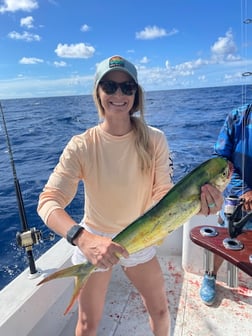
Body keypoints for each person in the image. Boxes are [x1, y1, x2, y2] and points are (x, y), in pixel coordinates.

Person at [37, 55, 223, 336]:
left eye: (127, 87)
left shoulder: (155, 139)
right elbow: (48, 201)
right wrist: (82, 238)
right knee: (87, 325)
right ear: (98, 93)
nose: (118, 94)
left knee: (160, 311)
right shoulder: (81, 145)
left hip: (142, 235)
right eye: (110, 86)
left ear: (136, 94)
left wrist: (202, 204)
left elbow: (163, 195)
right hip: (94, 238)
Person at [200, 103, 252, 306]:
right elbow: (221, 160)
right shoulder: (237, 117)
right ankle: (210, 276)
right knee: (224, 239)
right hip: (237, 199)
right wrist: (244, 190)